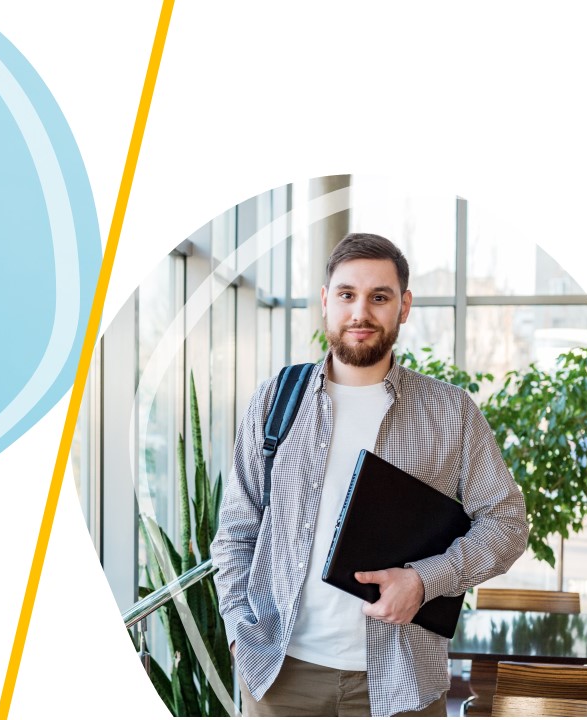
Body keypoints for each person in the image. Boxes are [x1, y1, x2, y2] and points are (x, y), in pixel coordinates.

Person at [211, 233, 528, 716]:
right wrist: (239, 634)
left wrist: (424, 581)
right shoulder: (275, 400)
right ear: (325, 302)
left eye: (379, 297)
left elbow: (506, 522)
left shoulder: (451, 412)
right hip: (279, 676)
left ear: (404, 306)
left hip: (402, 681)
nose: (361, 312)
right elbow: (236, 531)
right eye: (347, 295)